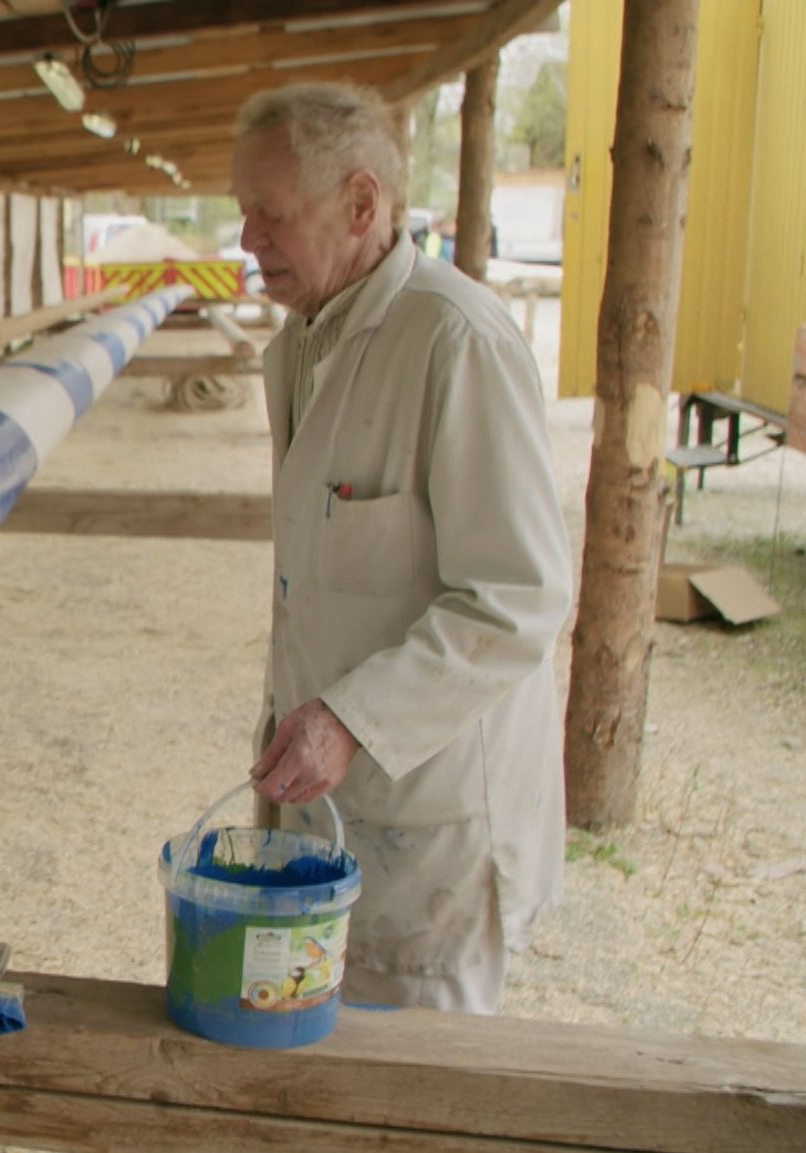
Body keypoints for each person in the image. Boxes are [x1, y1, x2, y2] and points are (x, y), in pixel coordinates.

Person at [230, 82, 572, 1013]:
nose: (249, 240)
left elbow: (519, 595)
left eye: (271, 214)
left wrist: (348, 717)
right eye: (242, 213)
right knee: (315, 1033)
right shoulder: (302, 343)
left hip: (431, 808)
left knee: (418, 1073)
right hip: (337, 801)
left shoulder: (456, 340)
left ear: (363, 204)